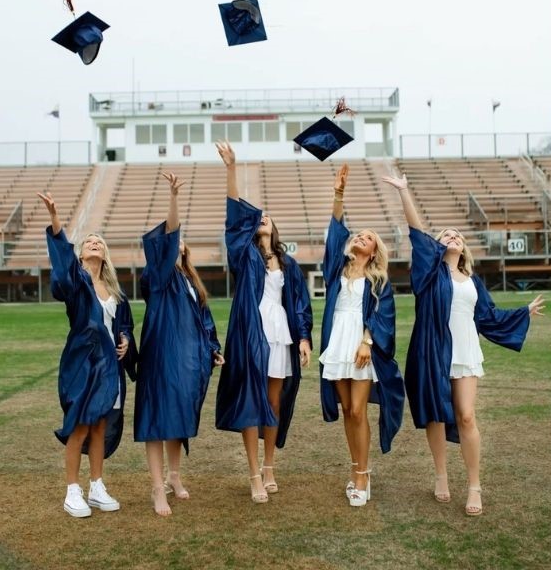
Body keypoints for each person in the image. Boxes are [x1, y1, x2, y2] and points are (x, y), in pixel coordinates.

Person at [382, 173, 545, 516]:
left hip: (465, 352)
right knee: (437, 417)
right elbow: (417, 232)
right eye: (446, 235)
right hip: (432, 352)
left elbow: (488, 317)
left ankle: (474, 485)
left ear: (463, 246)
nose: (453, 236)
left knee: (466, 417)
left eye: (457, 234)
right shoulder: (429, 273)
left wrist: (523, 312)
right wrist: (404, 191)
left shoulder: (472, 281)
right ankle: (441, 475)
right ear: (438, 246)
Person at [215, 142, 313, 503]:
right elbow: (233, 218)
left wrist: (303, 339)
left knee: (273, 403)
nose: (262, 218)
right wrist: (231, 170)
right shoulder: (244, 256)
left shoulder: (288, 264)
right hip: (251, 335)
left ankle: (269, 465)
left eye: (266, 216)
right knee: (251, 404)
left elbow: (300, 305)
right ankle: (254, 474)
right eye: (257, 217)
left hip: (280, 336)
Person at [38, 192, 137, 519]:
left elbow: (123, 324)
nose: (94, 242)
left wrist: (124, 339)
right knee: (80, 424)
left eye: (99, 241)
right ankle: (72, 491)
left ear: (105, 254)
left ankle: (96, 486)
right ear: (80, 254)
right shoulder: (76, 282)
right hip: (83, 363)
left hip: (110, 368)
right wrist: (56, 221)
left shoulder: (117, 292)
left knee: (99, 426)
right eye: (89, 241)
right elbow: (61, 267)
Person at [134, 172, 224, 516]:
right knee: (157, 418)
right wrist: (173, 197)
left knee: (178, 417)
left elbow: (205, 320)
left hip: (187, 360)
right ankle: (157, 488)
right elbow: (170, 232)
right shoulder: (157, 278)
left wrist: (213, 348)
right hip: (161, 356)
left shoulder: (191, 283)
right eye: (174, 241)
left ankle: (174, 476)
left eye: (182, 242)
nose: (178, 244)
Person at [319, 164, 405, 507]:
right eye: (358, 235)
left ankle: (363, 476)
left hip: (360, 341)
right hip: (337, 339)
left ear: (373, 250)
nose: (359, 237)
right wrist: (338, 193)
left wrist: (368, 340)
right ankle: (355, 469)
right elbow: (335, 231)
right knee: (346, 411)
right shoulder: (336, 270)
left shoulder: (379, 279)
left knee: (358, 409)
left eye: (367, 237)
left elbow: (384, 313)